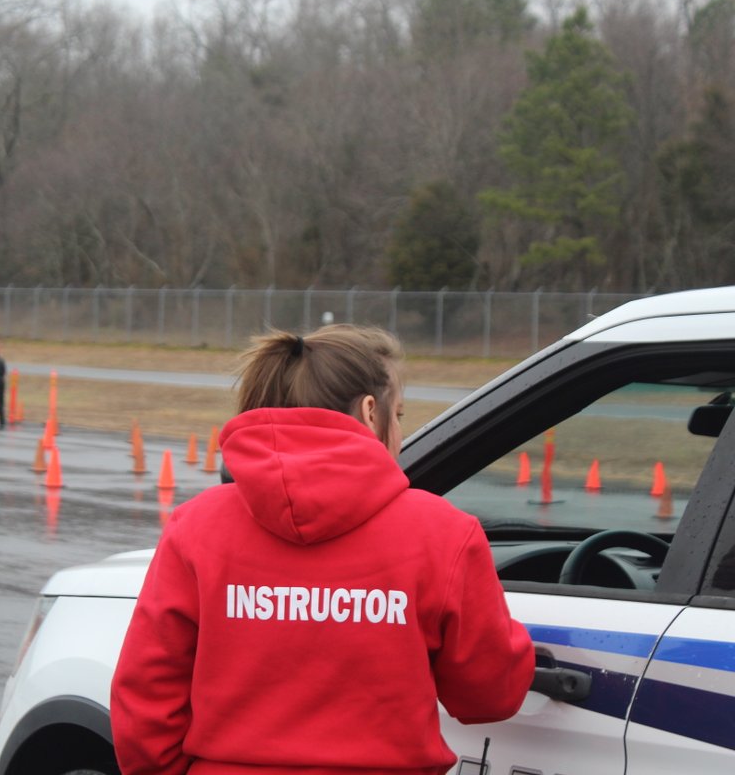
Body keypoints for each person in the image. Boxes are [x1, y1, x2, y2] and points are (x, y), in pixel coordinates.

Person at [110, 325, 534, 775]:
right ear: (371, 412)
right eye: (401, 415)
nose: (400, 431)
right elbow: (490, 695)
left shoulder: (196, 526)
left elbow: (144, 702)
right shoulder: (443, 533)